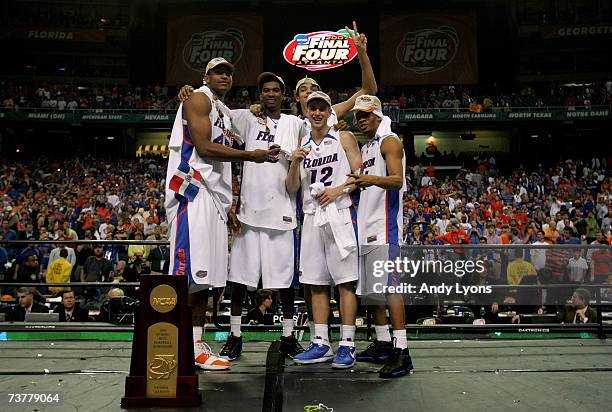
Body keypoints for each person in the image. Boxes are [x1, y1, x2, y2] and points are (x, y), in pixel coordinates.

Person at [166, 57, 278, 371]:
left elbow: (226, 148)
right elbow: (203, 147)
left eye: (228, 72)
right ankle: (183, 344)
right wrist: (251, 156)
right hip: (192, 191)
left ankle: (196, 342)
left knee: (206, 278)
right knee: (190, 275)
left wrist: (227, 207)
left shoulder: (222, 110)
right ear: (206, 76)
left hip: (212, 197)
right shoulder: (199, 98)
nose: (224, 76)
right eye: (218, 72)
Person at [286, 91, 362, 369]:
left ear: (329, 111)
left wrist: (337, 191)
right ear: (306, 111)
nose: (317, 112)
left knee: (344, 282)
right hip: (311, 216)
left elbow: (359, 174)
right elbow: (292, 187)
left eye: (322, 107)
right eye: (312, 108)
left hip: (339, 213)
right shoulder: (301, 144)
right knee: (315, 283)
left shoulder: (344, 137)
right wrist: (294, 161)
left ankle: (347, 344)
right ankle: (320, 343)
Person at [346, 95, 414, 378]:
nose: (360, 119)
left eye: (365, 115)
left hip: (386, 227)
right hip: (368, 226)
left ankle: (403, 352)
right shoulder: (370, 144)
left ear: (377, 115)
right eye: (357, 116)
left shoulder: (389, 141)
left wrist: (369, 179)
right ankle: (384, 343)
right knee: (374, 291)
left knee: (390, 288)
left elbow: (397, 180)